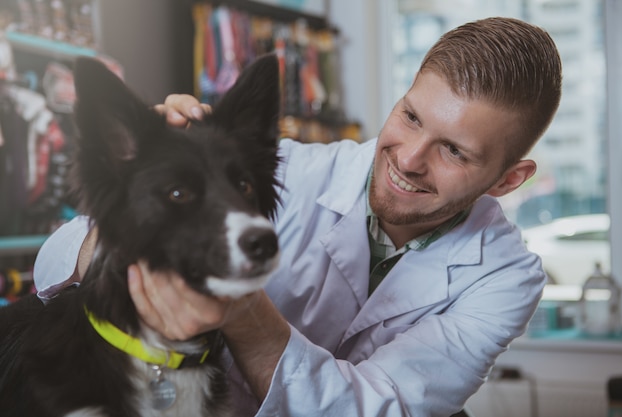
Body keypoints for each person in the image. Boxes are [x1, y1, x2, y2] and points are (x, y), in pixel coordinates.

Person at [34, 17, 561, 417]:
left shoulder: (505, 276)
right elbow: (52, 263)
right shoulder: (281, 169)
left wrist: (239, 305)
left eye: (453, 151)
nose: (408, 158)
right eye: (410, 116)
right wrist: (140, 196)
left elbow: (379, 408)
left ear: (507, 180)